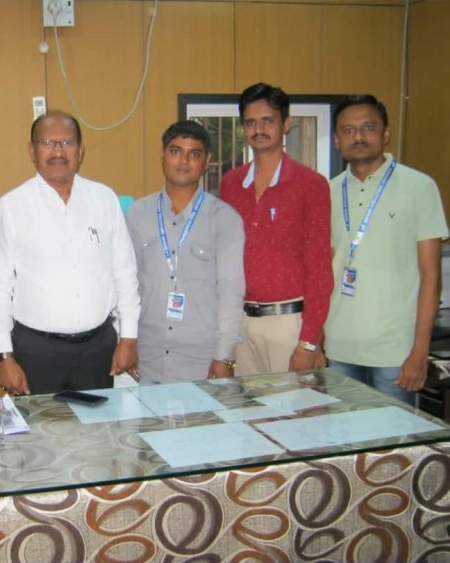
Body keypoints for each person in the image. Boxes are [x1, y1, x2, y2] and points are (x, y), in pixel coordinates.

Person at [0, 110, 141, 395]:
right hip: (36, 351)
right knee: (39, 436)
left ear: (80, 151)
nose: (57, 151)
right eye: (47, 143)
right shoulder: (11, 206)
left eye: (67, 142)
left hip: (98, 349)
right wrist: (4, 355)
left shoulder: (104, 199)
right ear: (31, 150)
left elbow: (124, 272)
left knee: (96, 435)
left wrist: (128, 337)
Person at [324, 94, 448, 404]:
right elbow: (323, 271)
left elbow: (431, 277)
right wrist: (317, 342)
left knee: (396, 448)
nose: (359, 137)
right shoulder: (327, 191)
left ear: (386, 133)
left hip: (396, 353)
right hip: (339, 348)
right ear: (337, 139)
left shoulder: (419, 187)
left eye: (368, 127)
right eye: (348, 130)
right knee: (345, 446)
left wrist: (420, 352)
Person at [220, 82, 333, 376]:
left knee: (294, 418)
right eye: (250, 122)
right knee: (249, 418)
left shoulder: (311, 185)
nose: (259, 129)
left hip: (288, 326)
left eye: (268, 120)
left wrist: (309, 342)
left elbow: (320, 267)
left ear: (286, 124)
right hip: (241, 324)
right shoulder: (230, 184)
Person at [126, 120, 245, 383]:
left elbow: (231, 292)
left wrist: (224, 356)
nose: (183, 161)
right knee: (151, 424)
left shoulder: (225, 218)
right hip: (149, 355)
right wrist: (127, 342)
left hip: (201, 360)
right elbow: (126, 286)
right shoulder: (137, 215)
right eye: (175, 150)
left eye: (194, 153)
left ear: (207, 160)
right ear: (162, 154)